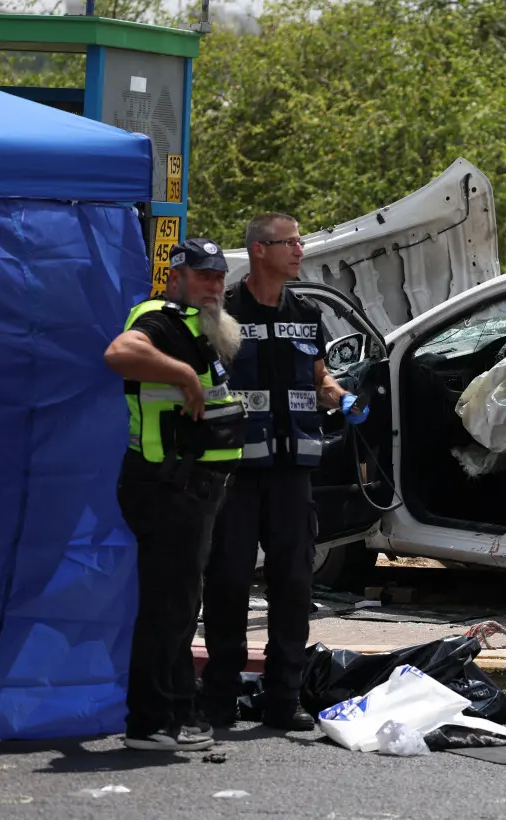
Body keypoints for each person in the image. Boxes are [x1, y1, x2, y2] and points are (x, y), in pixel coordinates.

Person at [200, 212, 369, 732]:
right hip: (234, 473)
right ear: (258, 250)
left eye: (299, 241)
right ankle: (220, 696)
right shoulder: (221, 311)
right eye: (288, 242)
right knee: (227, 581)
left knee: (293, 585)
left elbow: (317, 376)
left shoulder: (306, 313)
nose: (299, 250)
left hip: (293, 472)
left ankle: (283, 699)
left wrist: (339, 396)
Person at [104, 239, 247, 751]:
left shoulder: (201, 327)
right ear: (176, 275)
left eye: (218, 278)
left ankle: (179, 715)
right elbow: (119, 353)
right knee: (168, 609)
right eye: (203, 276)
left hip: (196, 489)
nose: (213, 286)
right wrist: (182, 373)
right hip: (168, 487)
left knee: (181, 609)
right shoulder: (159, 317)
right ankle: (150, 723)